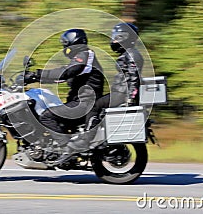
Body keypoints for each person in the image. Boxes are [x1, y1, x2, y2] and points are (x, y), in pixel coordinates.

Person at [53, 23, 144, 164]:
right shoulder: (128, 53)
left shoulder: (131, 54)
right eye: (114, 37)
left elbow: (134, 78)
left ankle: (86, 139)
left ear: (128, 38)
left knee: (94, 106)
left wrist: (131, 99)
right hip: (120, 91)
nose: (114, 40)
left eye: (118, 37)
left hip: (122, 93)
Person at [24, 28, 104, 146]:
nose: (64, 48)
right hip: (79, 102)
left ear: (74, 42)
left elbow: (66, 72)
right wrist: (34, 78)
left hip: (85, 103)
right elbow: (61, 78)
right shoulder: (82, 57)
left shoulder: (85, 55)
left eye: (65, 44)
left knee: (46, 116)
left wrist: (37, 73)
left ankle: (65, 148)